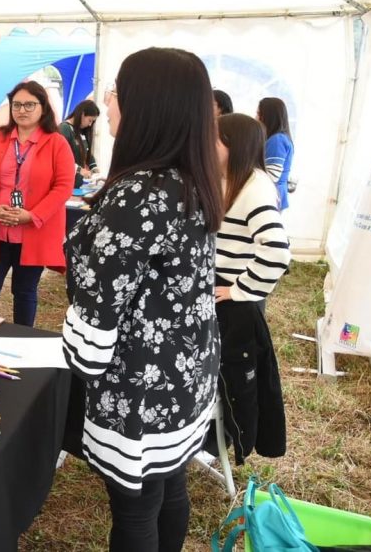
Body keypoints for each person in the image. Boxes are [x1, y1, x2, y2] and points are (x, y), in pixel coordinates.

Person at [62, 47, 224, 551]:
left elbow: (98, 304)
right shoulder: (188, 179)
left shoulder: (140, 192)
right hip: (185, 370)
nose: (108, 103)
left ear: (146, 105)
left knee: (135, 507)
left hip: (142, 382)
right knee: (167, 482)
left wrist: (73, 357)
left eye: (116, 92)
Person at [214, 113, 290, 464]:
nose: (207, 145)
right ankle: (217, 444)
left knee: (236, 383)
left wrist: (239, 289)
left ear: (233, 144)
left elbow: (276, 253)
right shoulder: (232, 178)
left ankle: (224, 445)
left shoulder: (254, 187)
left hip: (233, 305)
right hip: (223, 299)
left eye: (214, 139)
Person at [0, 80, 72, 327]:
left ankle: (23, 343)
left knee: (25, 293)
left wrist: (33, 215)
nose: (22, 110)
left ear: (43, 108)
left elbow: (63, 187)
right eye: (17, 105)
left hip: (32, 233)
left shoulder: (57, 143)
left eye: (29, 104)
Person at [257, 96, 294, 210]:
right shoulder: (279, 138)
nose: (256, 117)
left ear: (268, 116)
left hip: (271, 195)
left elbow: (272, 175)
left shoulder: (277, 140)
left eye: (259, 113)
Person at [59, 99, 101, 187]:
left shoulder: (81, 131)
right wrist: (79, 170)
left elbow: (86, 151)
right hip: (65, 184)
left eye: (92, 122)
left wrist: (94, 168)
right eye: (90, 120)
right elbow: (60, 157)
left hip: (77, 185)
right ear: (82, 114)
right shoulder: (64, 129)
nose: (90, 124)